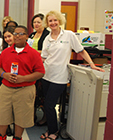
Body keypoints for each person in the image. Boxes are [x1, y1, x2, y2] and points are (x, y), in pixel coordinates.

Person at [40, 10, 104, 140]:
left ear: (59, 21)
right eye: (50, 21)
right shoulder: (47, 38)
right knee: (47, 103)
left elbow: (81, 51)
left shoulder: (68, 35)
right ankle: (50, 128)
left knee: (49, 104)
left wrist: (91, 64)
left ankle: (54, 131)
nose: (53, 23)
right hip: (46, 75)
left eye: (55, 20)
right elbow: (44, 58)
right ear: (47, 23)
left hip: (60, 77)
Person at [0, 25, 45, 140]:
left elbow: (40, 72)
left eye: (21, 33)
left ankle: (17, 137)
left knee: (21, 117)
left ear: (27, 36)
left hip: (25, 89)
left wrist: (23, 78)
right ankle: (1, 137)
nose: (17, 36)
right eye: (15, 33)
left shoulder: (33, 53)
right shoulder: (6, 52)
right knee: (3, 116)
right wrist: (5, 75)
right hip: (6, 89)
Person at [28, 13, 50, 127]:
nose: (36, 24)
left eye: (38, 22)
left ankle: (45, 117)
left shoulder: (48, 35)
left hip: (42, 67)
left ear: (44, 23)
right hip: (31, 68)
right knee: (33, 93)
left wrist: (35, 53)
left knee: (42, 94)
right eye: (34, 22)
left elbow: (48, 52)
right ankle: (32, 116)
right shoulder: (32, 35)